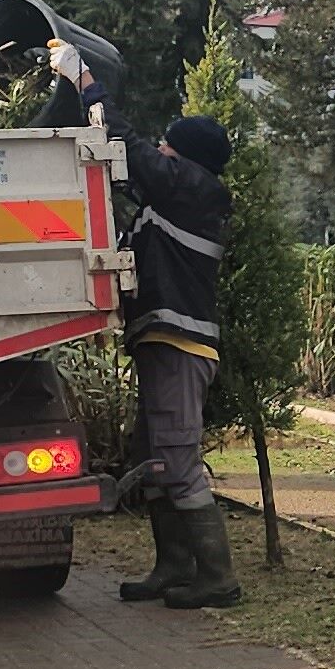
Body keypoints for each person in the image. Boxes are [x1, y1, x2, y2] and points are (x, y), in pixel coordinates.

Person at [117, 113, 243, 611]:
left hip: (180, 346)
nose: (160, 150)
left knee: (176, 460)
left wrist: (88, 87)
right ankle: (173, 566)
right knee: (152, 459)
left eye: (168, 144)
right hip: (163, 343)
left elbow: (139, 155)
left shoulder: (197, 190)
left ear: (186, 159)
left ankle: (218, 579)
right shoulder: (172, 202)